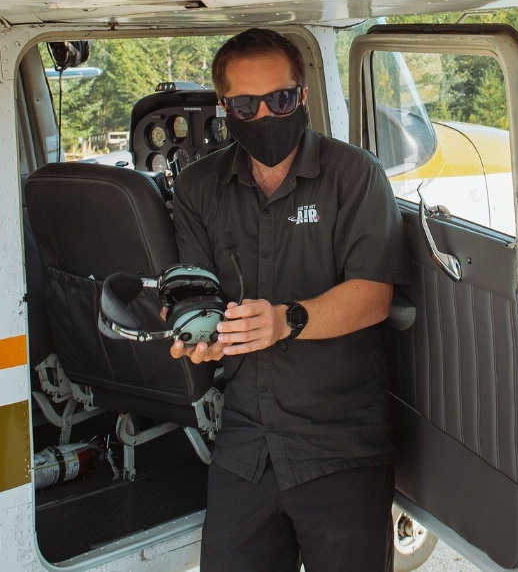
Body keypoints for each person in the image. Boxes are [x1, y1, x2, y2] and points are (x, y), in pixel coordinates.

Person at [168, 28, 410, 572]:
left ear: (301, 96)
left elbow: (373, 295)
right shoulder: (199, 187)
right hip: (246, 444)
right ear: (224, 108)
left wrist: (284, 321)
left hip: (341, 445)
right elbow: (196, 290)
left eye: (279, 100)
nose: (265, 118)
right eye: (245, 106)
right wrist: (198, 335)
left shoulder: (355, 175)